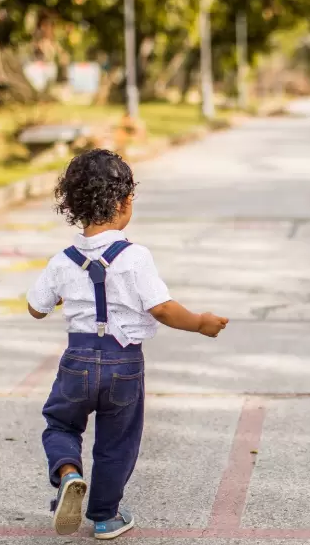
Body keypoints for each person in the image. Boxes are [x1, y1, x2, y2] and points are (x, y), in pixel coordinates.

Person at [26, 148, 229, 540]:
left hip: (77, 362)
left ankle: (69, 472)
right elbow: (164, 309)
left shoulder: (62, 261)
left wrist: (63, 296)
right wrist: (200, 323)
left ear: (71, 204)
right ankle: (104, 516)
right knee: (117, 442)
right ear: (125, 202)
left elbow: (36, 308)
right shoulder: (135, 257)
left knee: (60, 423)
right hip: (123, 364)